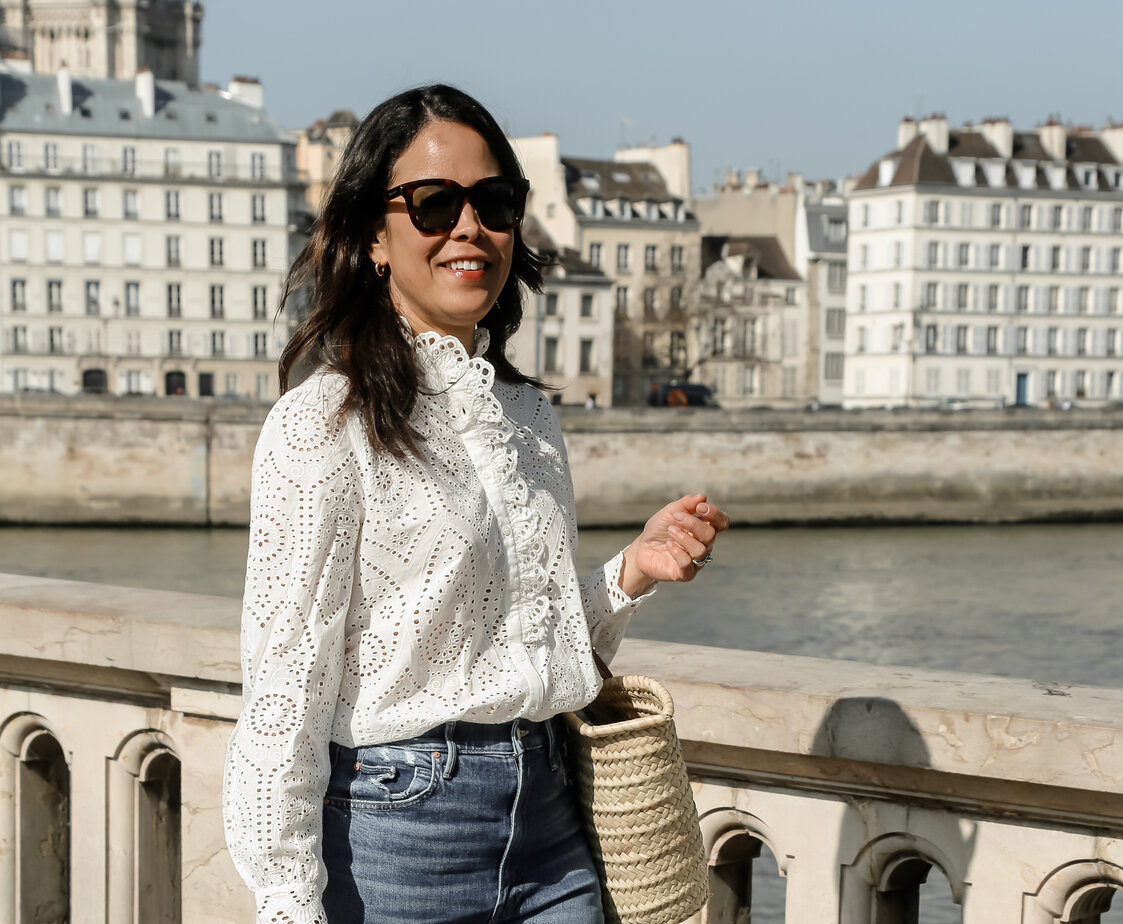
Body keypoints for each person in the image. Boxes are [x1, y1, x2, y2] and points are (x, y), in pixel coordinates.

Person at [221, 84, 729, 924]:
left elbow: (527, 639)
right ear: (372, 237)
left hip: (550, 819)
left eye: (493, 202)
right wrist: (285, 899)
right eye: (432, 204)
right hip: (396, 836)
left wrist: (632, 571)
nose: (469, 227)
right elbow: (284, 690)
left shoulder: (525, 417)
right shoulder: (322, 424)